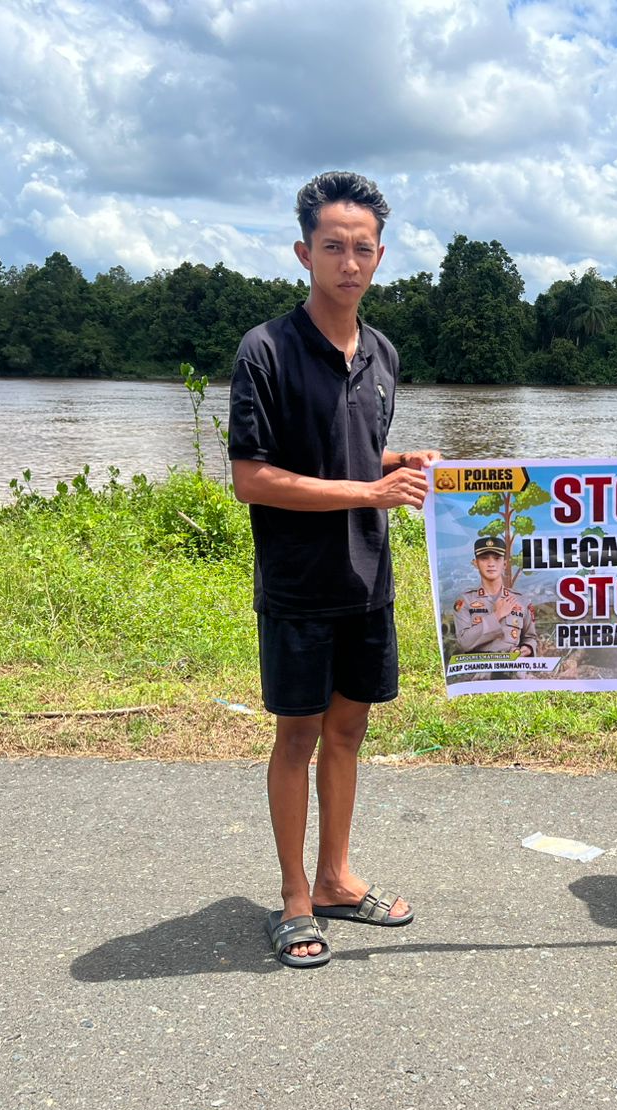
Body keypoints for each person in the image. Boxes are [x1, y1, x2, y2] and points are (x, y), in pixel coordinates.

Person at [227, 171, 442, 969]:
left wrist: (403, 462)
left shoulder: (382, 351)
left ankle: (336, 878)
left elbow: (350, 454)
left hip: (366, 578)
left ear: (380, 257)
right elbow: (254, 475)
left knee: (349, 731)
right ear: (303, 252)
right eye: (332, 248)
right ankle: (291, 898)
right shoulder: (268, 351)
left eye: (362, 249)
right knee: (299, 735)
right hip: (298, 586)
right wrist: (372, 488)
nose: (348, 263)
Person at [451, 535, 539, 658]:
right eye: (484, 558)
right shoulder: (465, 601)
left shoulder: (521, 600)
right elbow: (464, 643)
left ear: (505, 564)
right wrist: (497, 615)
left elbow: (530, 637)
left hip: (513, 668)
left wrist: (528, 648)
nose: (491, 563)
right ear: (475, 563)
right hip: (478, 669)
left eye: (497, 558)